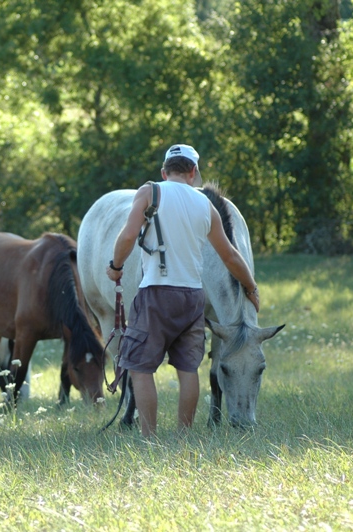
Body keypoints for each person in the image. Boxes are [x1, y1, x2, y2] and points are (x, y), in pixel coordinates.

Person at [105, 144, 260, 438]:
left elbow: (127, 236)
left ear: (164, 172)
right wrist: (251, 287)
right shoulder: (206, 205)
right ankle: (183, 437)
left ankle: (149, 437)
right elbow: (229, 256)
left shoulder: (150, 193)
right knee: (188, 370)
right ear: (193, 173)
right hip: (192, 298)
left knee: (140, 368)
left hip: (156, 293)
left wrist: (115, 266)